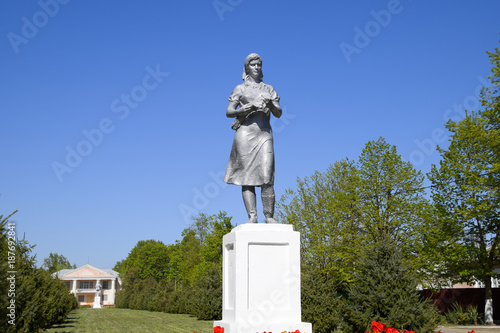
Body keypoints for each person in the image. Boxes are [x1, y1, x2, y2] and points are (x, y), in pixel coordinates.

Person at [224, 53, 282, 223]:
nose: (256, 68)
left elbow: (278, 113)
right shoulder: (240, 89)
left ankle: (269, 216)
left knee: (267, 174)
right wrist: (247, 108)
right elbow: (229, 112)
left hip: (264, 134)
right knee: (246, 177)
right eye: (253, 65)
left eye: (259, 65)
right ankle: (252, 216)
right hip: (245, 134)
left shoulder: (269, 88)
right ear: (246, 68)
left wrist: (270, 103)